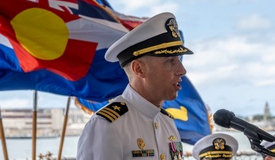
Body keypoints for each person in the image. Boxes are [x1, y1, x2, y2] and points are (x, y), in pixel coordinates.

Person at [77, 12, 193, 160]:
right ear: (139, 69)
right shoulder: (107, 125)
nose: (182, 71)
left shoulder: (167, 122)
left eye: (178, 60)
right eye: (170, 61)